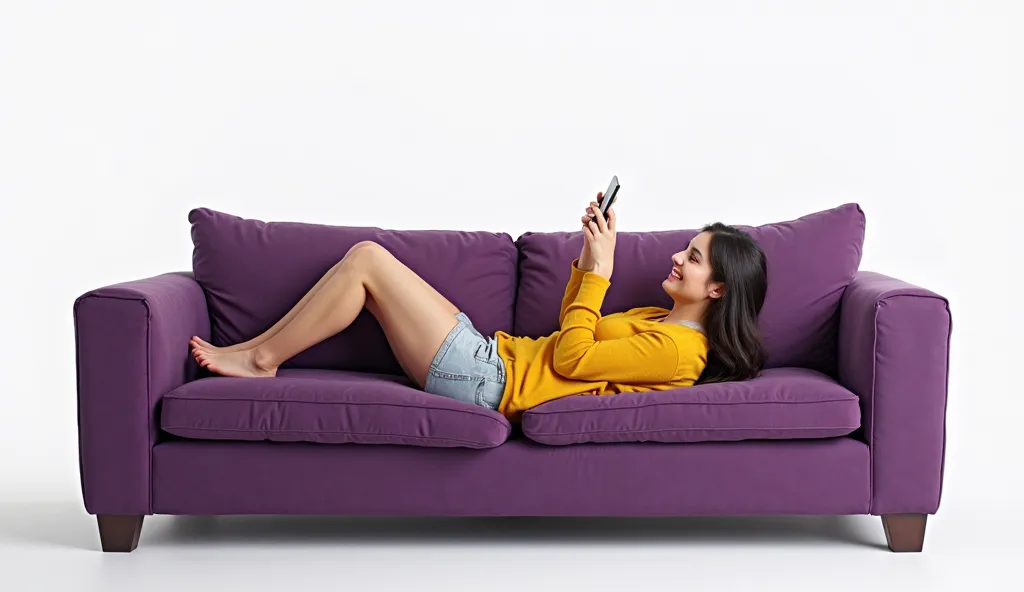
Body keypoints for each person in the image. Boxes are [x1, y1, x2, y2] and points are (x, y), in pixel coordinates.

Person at [189, 192, 769, 423]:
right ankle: (249, 352)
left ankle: (261, 359)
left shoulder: (676, 353)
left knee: (367, 259)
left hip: (487, 383)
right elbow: (575, 330)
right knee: (364, 264)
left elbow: (571, 359)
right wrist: (589, 258)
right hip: (492, 358)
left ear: (717, 289)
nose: (676, 258)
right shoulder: (657, 321)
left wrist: (602, 274)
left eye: (692, 259)